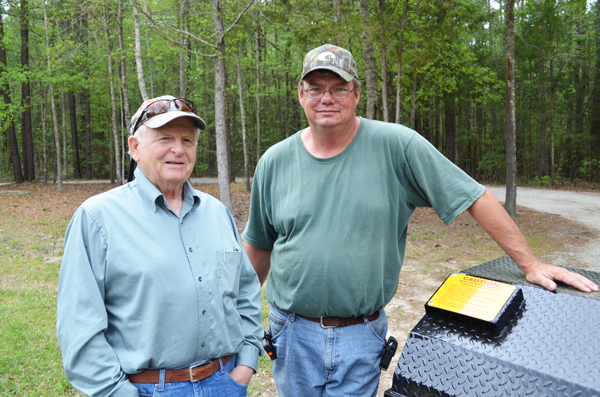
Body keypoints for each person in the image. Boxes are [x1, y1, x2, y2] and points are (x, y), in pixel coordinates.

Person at [241, 44, 599, 397]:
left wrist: (530, 263)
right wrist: (238, 316)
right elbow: (258, 245)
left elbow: (474, 196)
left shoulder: (397, 146)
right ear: (300, 94)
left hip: (359, 332)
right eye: (316, 88)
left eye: (338, 88)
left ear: (356, 93)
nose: (327, 98)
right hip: (291, 330)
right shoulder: (275, 162)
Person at [57, 95, 263, 397]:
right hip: (148, 389)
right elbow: (79, 328)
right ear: (134, 148)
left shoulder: (217, 213)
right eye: (164, 138)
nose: (178, 150)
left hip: (225, 382)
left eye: (187, 140)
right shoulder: (98, 218)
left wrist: (245, 364)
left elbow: (245, 291)